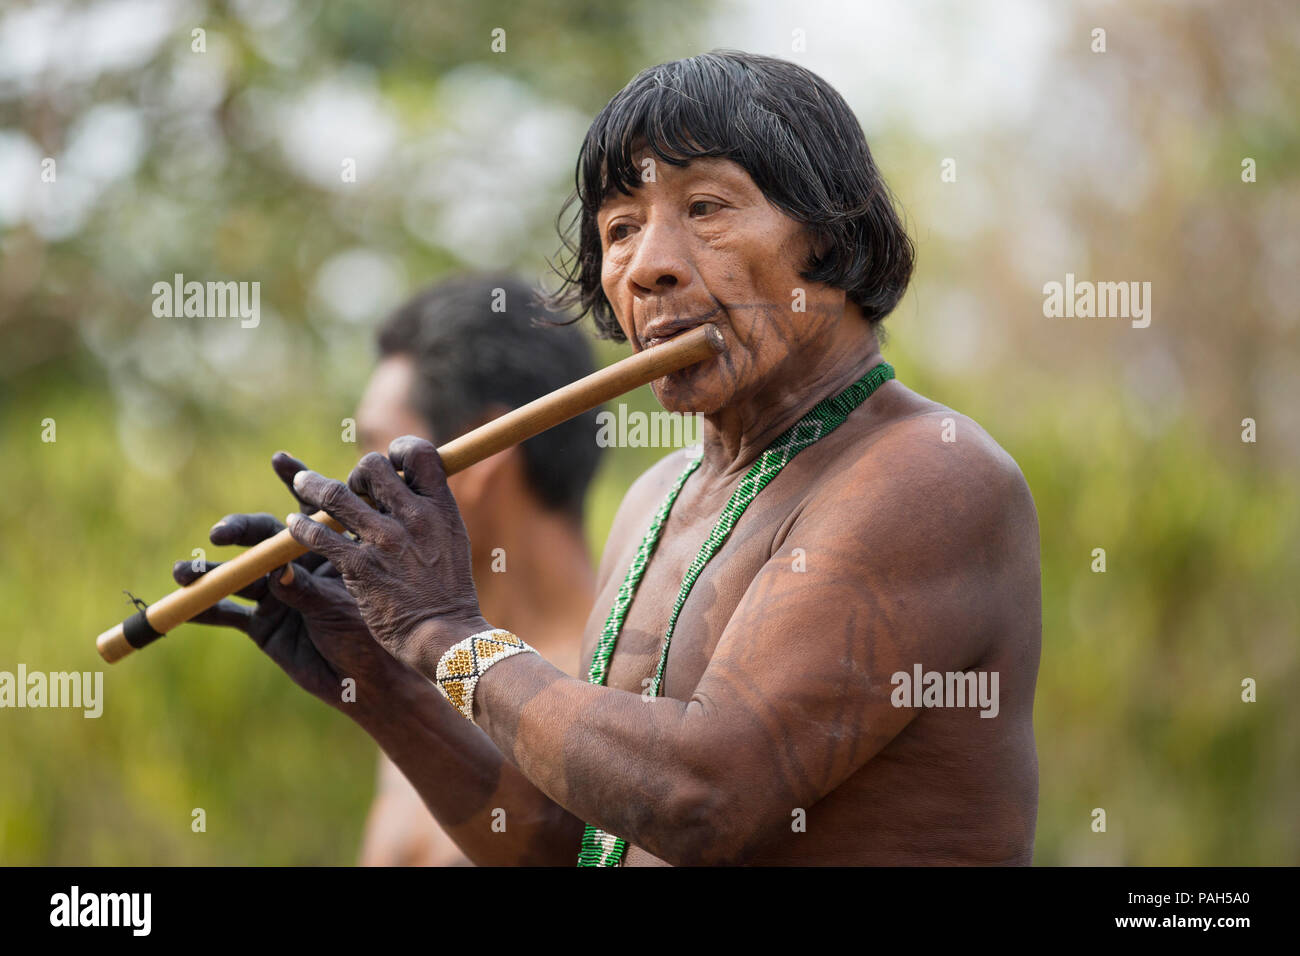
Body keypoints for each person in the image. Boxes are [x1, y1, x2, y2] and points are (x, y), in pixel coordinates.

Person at [180, 50, 1041, 865]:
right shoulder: (657, 497)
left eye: (706, 208)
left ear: (831, 239)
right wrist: (377, 671)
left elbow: (700, 800)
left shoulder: (930, 473)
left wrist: (441, 629)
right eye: (621, 228)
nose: (649, 267)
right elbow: (581, 844)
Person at [175, 275, 601, 866]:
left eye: (377, 456)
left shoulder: (622, 679)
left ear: (484, 453)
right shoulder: (428, 681)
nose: (345, 495)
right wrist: (379, 683)